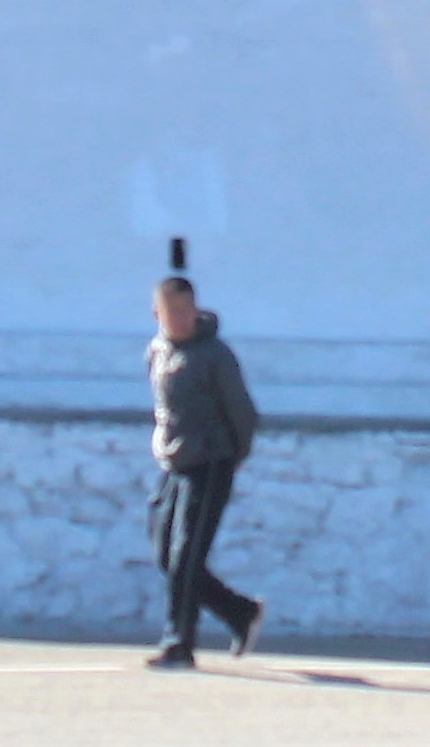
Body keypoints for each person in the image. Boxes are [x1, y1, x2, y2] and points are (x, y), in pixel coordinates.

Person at [142, 274, 263, 666]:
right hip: (174, 464)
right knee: (165, 555)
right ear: (155, 313)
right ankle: (239, 612)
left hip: (211, 462)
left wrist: (232, 456)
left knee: (186, 556)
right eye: (169, 311)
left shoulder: (215, 355)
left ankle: (179, 643)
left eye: (184, 310)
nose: (178, 318)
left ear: (195, 310)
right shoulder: (157, 352)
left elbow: (243, 413)